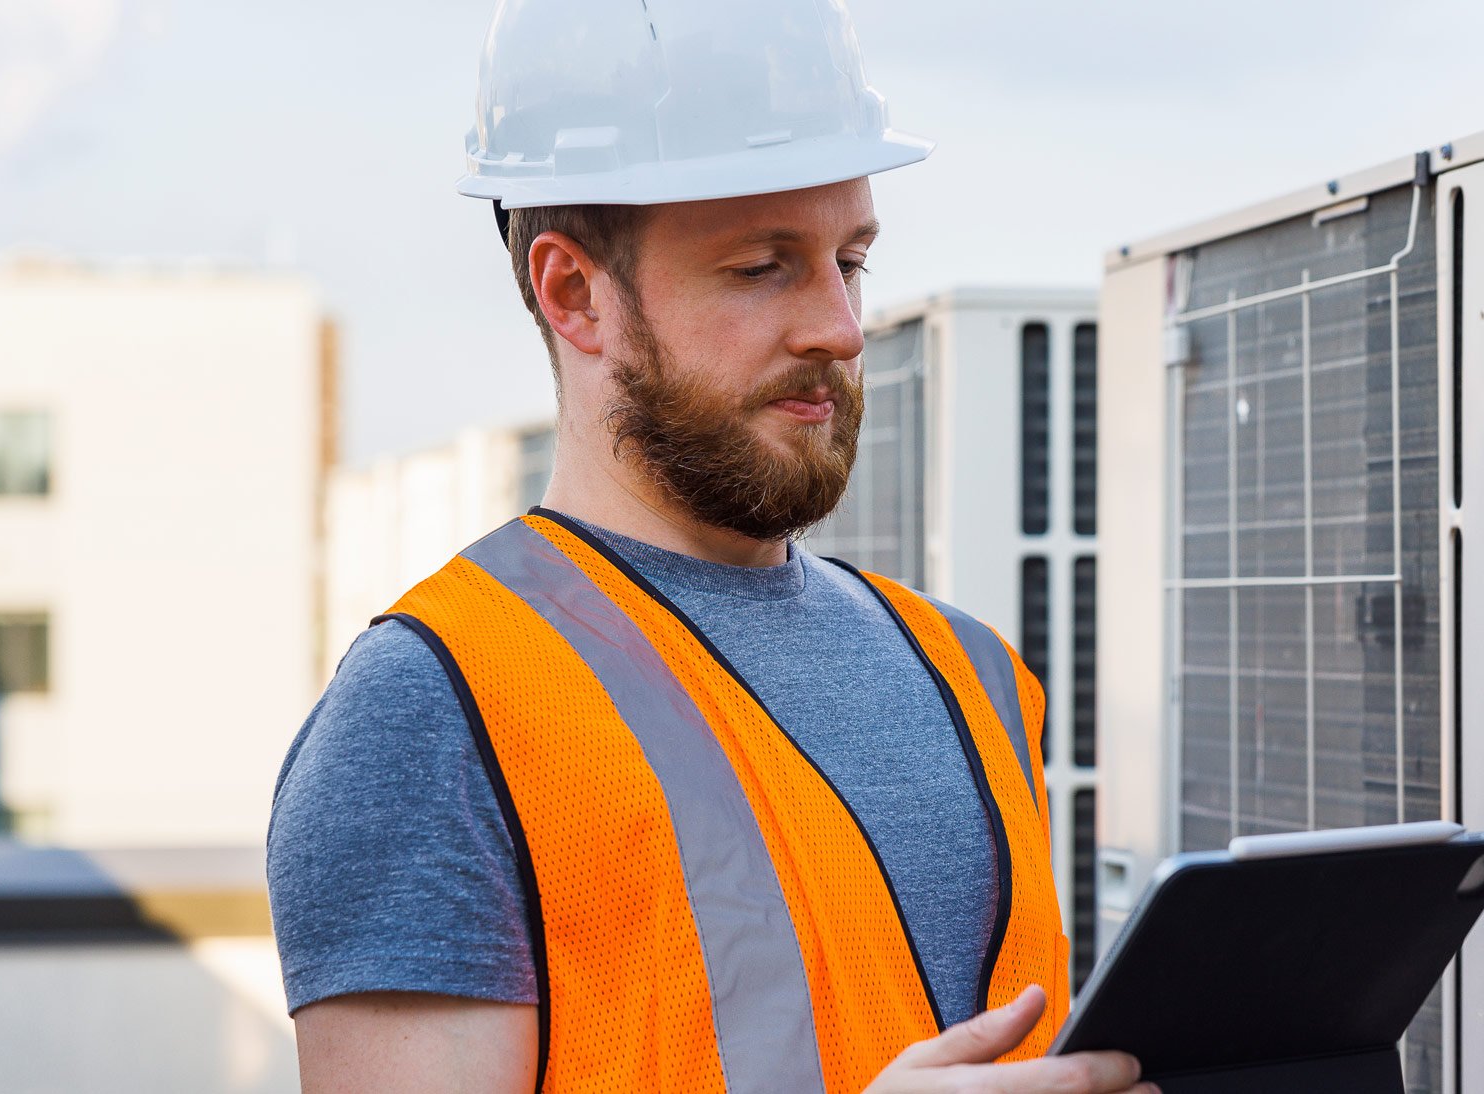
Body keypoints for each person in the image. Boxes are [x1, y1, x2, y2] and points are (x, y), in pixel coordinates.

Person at [267, 2, 1152, 1091]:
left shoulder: (972, 671)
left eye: (850, 259)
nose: (838, 324)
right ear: (573, 292)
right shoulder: (433, 708)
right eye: (761, 267)